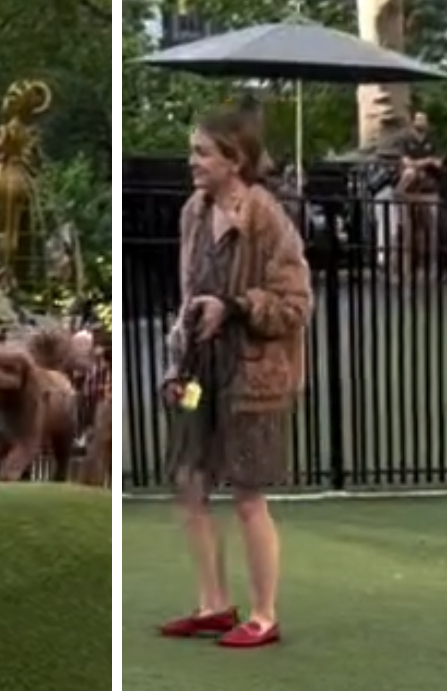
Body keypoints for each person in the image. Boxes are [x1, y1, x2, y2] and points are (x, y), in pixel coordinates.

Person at [158, 103, 311, 652]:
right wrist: (176, 365)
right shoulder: (192, 214)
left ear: (234, 158)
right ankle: (213, 604)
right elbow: (185, 300)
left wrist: (236, 306)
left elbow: (296, 304)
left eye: (202, 151)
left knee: (247, 495)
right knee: (189, 484)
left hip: (253, 375)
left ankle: (264, 614)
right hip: (202, 369)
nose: (192, 161)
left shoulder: (267, 218)